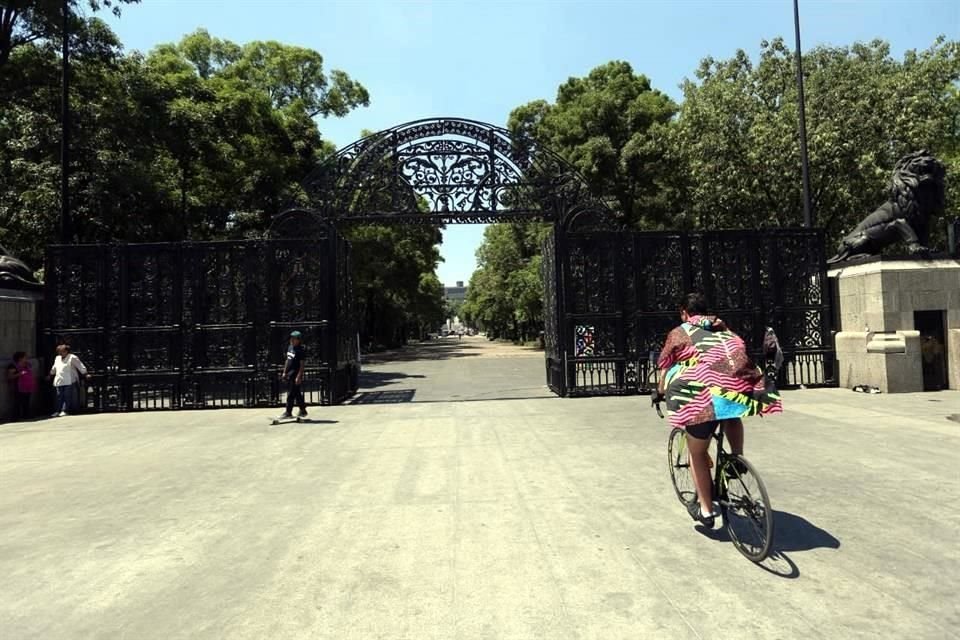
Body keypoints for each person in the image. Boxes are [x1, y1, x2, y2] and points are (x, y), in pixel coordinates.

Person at [655, 293, 782, 528]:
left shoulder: (680, 332)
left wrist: (660, 391)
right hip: (738, 387)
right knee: (731, 412)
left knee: (697, 453)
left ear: (684, 312)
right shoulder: (723, 328)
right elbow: (739, 349)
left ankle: (705, 510)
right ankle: (736, 459)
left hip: (701, 395)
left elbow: (665, 363)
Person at [48, 344, 89, 417]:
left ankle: (65, 410)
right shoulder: (57, 358)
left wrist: (85, 373)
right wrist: (51, 374)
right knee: (58, 396)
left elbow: (79, 365)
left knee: (67, 396)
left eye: (62, 351)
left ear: (66, 351)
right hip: (59, 380)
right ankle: (57, 410)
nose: (60, 353)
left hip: (69, 380)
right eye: (59, 351)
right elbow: (54, 367)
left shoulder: (72, 357)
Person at [277, 330, 307, 420]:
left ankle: (288, 412)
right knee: (296, 393)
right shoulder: (290, 347)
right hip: (289, 373)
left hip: (295, 374)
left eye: (294, 339)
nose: (292, 340)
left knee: (291, 394)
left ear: (299, 340)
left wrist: (299, 376)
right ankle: (303, 410)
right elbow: (287, 360)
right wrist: (284, 372)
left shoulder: (300, 350)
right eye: (291, 338)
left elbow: (302, 364)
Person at [8, 352, 36, 420]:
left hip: (27, 387)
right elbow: (10, 376)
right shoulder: (13, 366)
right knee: (18, 402)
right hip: (18, 387)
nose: (26, 358)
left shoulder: (27, 365)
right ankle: (16, 417)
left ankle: (26, 415)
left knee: (26, 401)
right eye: (25, 357)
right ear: (20, 358)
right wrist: (20, 374)